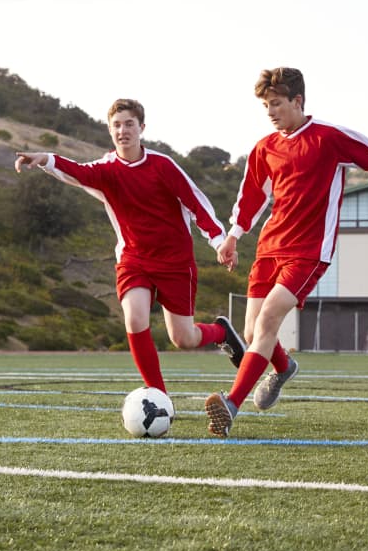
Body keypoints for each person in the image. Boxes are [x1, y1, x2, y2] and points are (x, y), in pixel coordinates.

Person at [208, 67, 368, 438]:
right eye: (266, 105)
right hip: (269, 248)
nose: (270, 111)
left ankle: (230, 405)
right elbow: (252, 196)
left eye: (277, 103)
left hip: (308, 251)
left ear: (298, 101)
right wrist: (233, 235)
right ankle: (283, 369)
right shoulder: (264, 148)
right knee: (252, 333)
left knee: (267, 322)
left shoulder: (329, 138)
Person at [14, 98, 247, 395]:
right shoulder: (106, 169)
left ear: (142, 128)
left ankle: (221, 332)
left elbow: (196, 203)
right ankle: (159, 396)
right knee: (135, 318)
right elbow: (77, 171)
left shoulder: (163, 166)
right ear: (110, 131)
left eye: (129, 124)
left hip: (175, 262)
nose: (122, 130)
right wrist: (44, 159)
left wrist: (218, 241)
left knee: (183, 338)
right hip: (133, 259)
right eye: (116, 125)